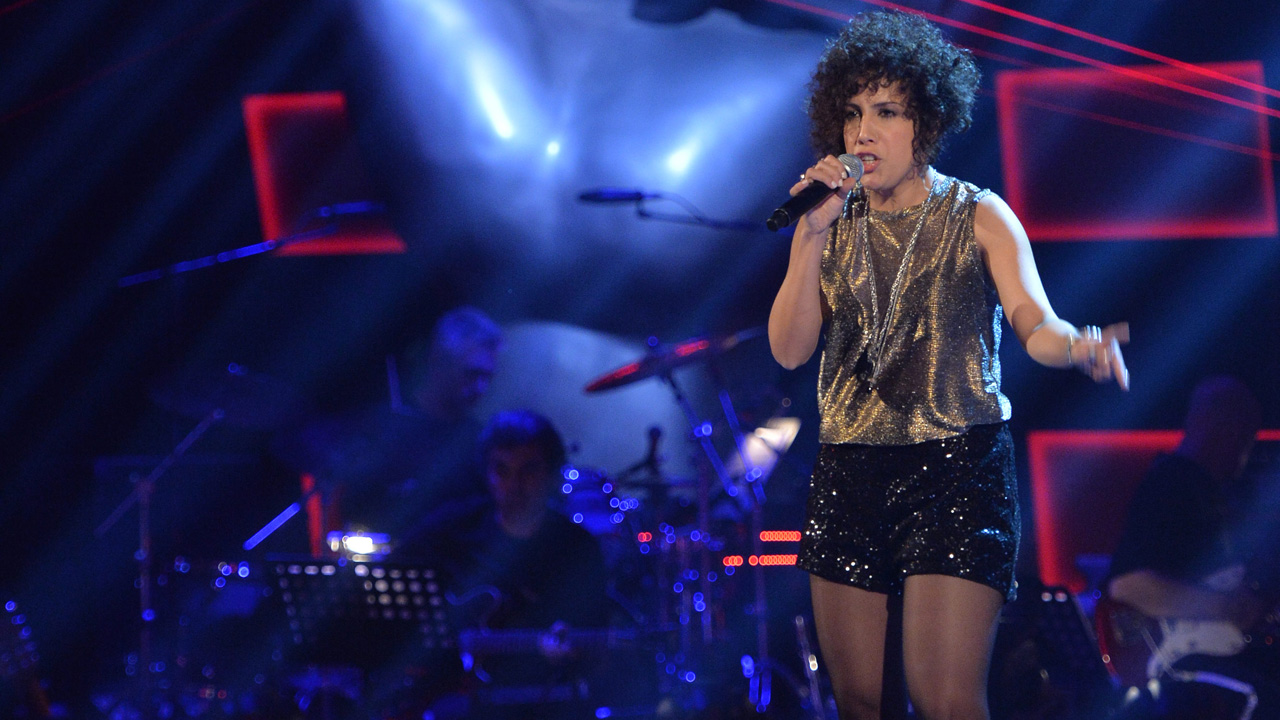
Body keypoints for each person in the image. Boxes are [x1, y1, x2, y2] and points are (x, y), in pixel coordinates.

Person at [767, 11, 1130, 720]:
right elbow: (789, 350)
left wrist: (1079, 345)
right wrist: (808, 235)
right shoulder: (828, 222)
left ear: (925, 122)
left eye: (886, 112)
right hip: (848, 471)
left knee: (945, 699)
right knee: (860, 701)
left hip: (956, 471)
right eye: (852, 113)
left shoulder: (979, 214)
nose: (863, 132)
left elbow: (1036, 325)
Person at [1106, 376, 1279, 719]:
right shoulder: (1171, 484)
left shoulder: (1213, 493)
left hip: (1221, 652)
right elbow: (1128, 585)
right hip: (1179, 660)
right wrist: (1227, 607)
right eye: (1245, 433)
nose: (1247, 447)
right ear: (1220, 426)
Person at [271, 305, 504, 551]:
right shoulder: (378, 426)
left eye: (487, 377)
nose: (480, 388)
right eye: (471, 374)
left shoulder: (480, 441)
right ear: (439, 361)